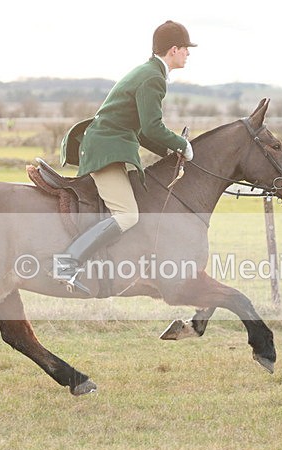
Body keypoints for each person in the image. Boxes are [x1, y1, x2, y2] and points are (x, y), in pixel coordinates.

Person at [55, 20, 196, 294]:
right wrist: (182, 144)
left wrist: (169, 151)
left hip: (109, 145)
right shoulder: (153, 78)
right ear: (174, 49)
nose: (188, 53)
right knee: (127, 215)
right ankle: (67, 263)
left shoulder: (149, 72)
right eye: (185, 48)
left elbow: (141, 129)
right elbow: (152, 127)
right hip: (104, 149)